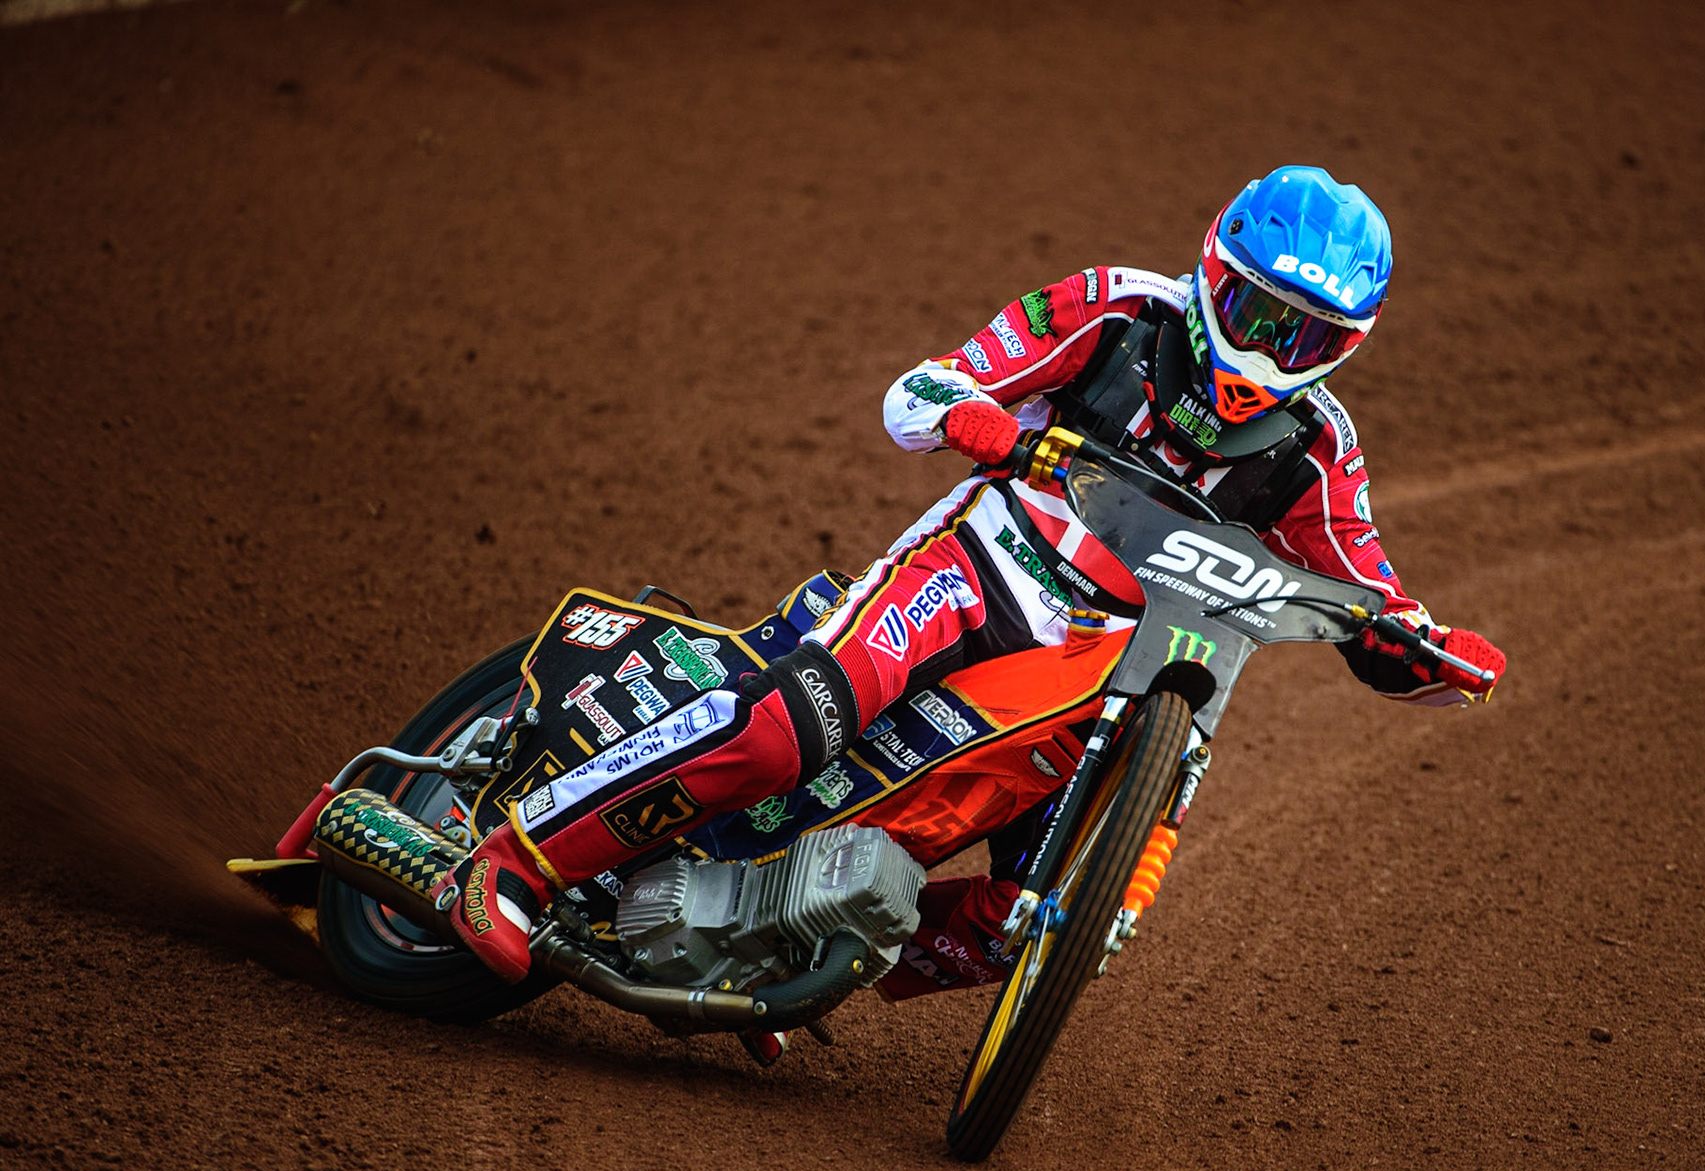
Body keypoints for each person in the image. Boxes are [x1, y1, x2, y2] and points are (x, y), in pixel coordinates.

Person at [448, 165, 1508, 997]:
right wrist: (987, 424)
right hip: (973, 574)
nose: (1275, 349)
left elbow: (1367, 583)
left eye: (1308, 335)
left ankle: (785, 952)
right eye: (1262, 313)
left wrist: (1432, 646)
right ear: (1213, 270)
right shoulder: (1112, 310)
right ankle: (515, 863)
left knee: (1046, 925)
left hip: (1111, 672)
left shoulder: (1320, 446)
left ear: (1346, 346)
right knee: (789, 730)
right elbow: (918, 391)